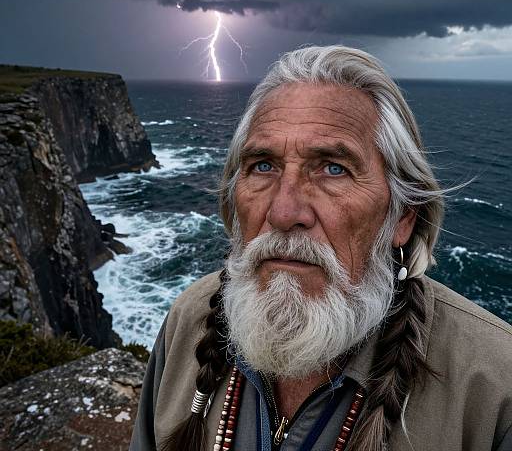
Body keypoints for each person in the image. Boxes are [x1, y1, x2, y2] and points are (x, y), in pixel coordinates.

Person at [130, 46, 512, 451]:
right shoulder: (188, 320)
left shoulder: (494, 384)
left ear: (403, 217)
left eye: (333, 168)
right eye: (263, 165)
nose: (283, 211)